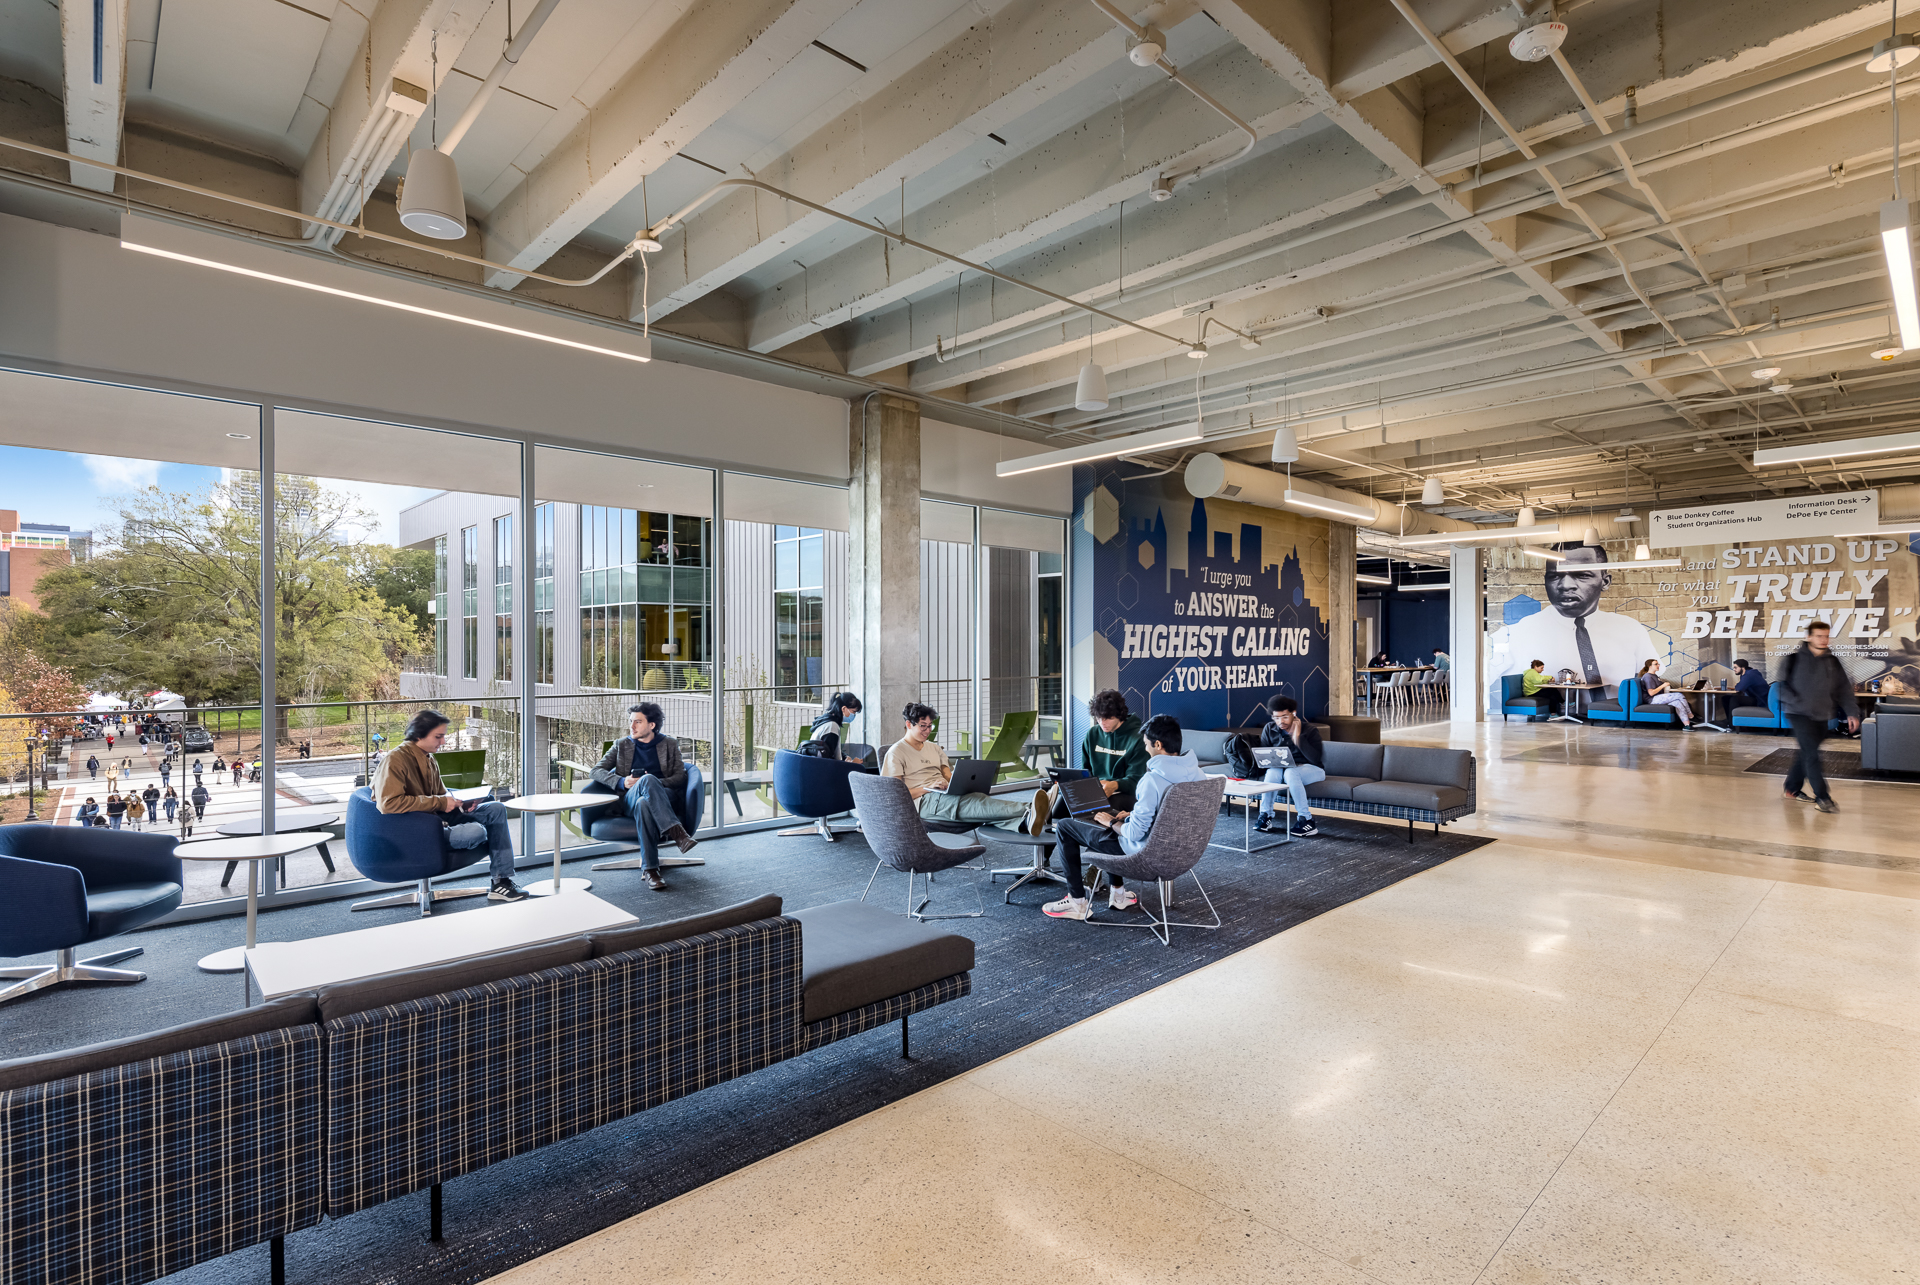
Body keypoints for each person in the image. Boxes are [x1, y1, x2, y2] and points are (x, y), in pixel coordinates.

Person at [1043, 714, 1211, 921]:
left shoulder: (1152, 780)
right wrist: (1132, 815)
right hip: (1185, 852)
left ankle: (1076, 901)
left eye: (1147, 745)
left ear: (1158, 744)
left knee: (1067, 827)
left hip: (1145, 854)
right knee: (1112, 817)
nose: (1146, 750)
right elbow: (1175, 812)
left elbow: (1134, 833)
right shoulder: (1199, 775)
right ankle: (1118, 894)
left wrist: (1113, 822)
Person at [373, 709, 529, 901]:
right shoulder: (395, 760)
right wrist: (440, 802)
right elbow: (388, 803)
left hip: (437, 819)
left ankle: (501, 883)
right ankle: (500, 881)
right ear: (419, 734)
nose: (443, 742)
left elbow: (441, 795)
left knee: (496, 809)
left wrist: (461, 804)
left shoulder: (429, 758)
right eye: (438, 737)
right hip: (417, 832)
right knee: (476, 832)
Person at [1486, 543, 1658, 703]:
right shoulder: (1514, 634)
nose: (1565, 585)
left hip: (1618, 716)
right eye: (1554, 576)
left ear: (1605, 582)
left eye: (1581, 575)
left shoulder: (1631, 630)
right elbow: (1477, 683)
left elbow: (1653, 677)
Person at [882, 703, 1047, 834]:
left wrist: (961, 779)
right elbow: (895, 794)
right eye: (923, 726)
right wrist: (927, 788)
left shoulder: (934, 748)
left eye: (930, 726)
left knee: (978, 799)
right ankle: (1031, 809)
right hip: (923, 803)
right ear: (909, 724)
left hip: (943, 794)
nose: (927, 731)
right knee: (976, 804)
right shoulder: (896, 752)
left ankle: (1026, 823)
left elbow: (948, 775)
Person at [589, 701, 700, 892]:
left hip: (666, 798)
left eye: (637, 722)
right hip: (628, 799)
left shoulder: (670, 744)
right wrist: (622, 782)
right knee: (641, 796)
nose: (632, 726)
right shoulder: (621, 745)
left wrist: (651, 783)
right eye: (631, 721)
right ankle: (677, 833)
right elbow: (595, 771)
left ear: (652, 725)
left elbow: (680, 777)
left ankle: (651, 870)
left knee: (645, 800)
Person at [1776, 621, 1860, 813]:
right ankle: (1823, 798)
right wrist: (1797, 701)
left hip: (1822, 715)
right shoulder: (1793, 659)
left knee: (1806, 752)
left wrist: (1852, 712)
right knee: (1812, 754)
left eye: (1826, 636)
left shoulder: (1833, 662)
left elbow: (1844, 690)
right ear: (1809, 637)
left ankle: (1791, 789)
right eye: (1819, 636)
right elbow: (1780, 687)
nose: (1824, 640)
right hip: (1798, 714)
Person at [1254, 695, 1325, 838]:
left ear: (1294, 714)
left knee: (1291, 773)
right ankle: (1265, 815)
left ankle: (1306, 820)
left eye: (1285, 717)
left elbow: (1315, 758)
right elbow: (1265, 754)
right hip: (1283, 769)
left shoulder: (1309, 730)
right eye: (1277, 718)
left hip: (1312, 769)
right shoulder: (1269, 729)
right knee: (1272, 772)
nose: (1281, 722)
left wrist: (1297, 737)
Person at [1078, 689, 1148, 810]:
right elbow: (1086, 770)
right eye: (1099, 718)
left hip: (1124, 792)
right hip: (1097, 790)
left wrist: (1115, 785)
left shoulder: (1138, 739)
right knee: (1061, 804)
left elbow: (1138, 780)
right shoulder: (1092, 734)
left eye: (1108, 718)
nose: (1102, 723)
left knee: (1105, 806)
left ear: (1120, 715)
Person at [1637, 659, 1693, 728]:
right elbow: (1651, 693)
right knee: (1679, 695)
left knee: (1678, 703)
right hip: (1652, 699)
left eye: (1658, 664)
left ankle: (1687, 725)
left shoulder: (1654, 676)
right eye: (1656, 664)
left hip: (1659, 697)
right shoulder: (1648, 677)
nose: (1658, 665)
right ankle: (1690, 714)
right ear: (1650, 666)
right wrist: (1663, 685)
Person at [808, 691, 864, 760]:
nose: (854, 715)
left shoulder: (825, 722)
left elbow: (830, 751)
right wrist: (852, 764)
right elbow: (830, 760)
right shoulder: (832, 727)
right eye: (853, 711)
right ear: (843, 709)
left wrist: (845, 757)